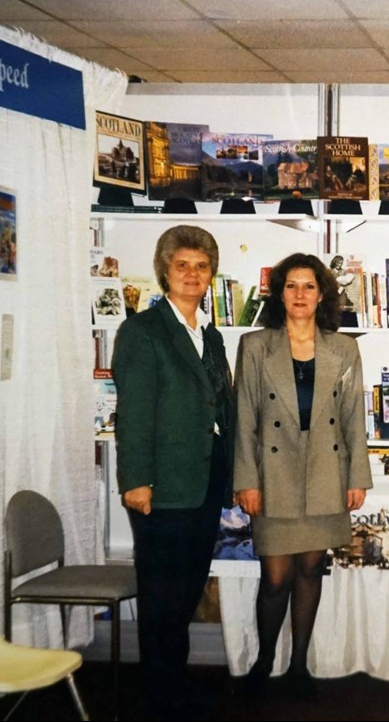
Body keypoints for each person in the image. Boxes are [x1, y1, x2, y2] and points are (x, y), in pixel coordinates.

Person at [234, 252, 372, 699]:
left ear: (321, 295)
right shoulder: (255, 346)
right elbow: (244, 419)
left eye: (308, 286)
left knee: (311, 569)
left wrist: (357, 477)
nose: (299, 294)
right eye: (291, 285)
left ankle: (298, 667)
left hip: (325, 472)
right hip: (272, 475)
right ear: (279, 294)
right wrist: (246, 480)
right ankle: (263, 662)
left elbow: (353, 418)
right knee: (276, 578)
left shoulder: (344, 348)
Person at [111, 225, 234, 721]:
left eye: (201, 266)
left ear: (211, 275)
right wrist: (135, 481)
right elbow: (133, 414)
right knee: (162, 599)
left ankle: (175, 686)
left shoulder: (211, 335)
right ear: (164, 270)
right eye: (182, 265)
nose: (192, 274)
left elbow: (220, 408)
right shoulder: (142, 331)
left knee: (186, 593)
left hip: (204, 483)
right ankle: (159, 700)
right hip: (161, 487)